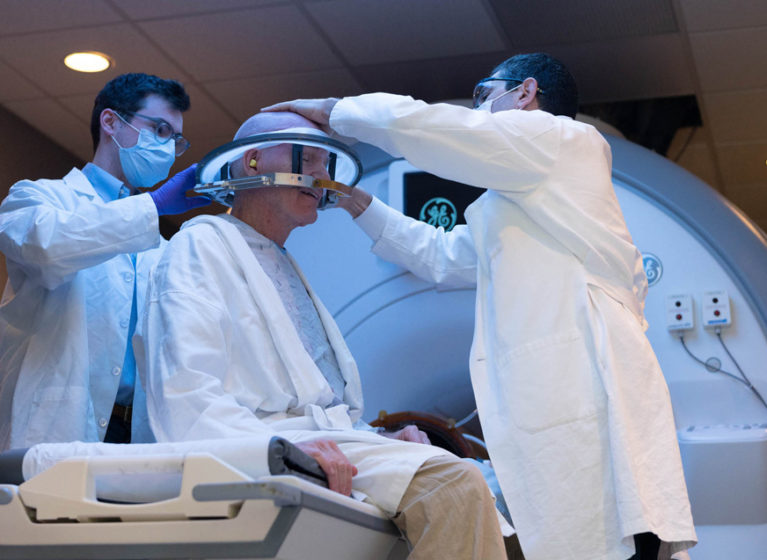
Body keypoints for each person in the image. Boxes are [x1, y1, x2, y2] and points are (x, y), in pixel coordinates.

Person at [263, 52, 697, 560]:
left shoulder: (564, 140)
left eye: (483, 94)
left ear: (525, 93)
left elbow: (448, 131)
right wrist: (356, 200)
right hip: (556, 399)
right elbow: (443, 257)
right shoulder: (518, 205)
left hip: (587, 386)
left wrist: (339, 111)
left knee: (615, 532)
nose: (479, 109)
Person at [134, 110, 507, 559]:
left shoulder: (282, 264)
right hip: (258, 447)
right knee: (452, 485)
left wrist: (380, 439)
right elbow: (186, 399)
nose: (321, 176)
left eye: (325, 165)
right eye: (308, 160)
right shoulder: (201, 246)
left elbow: (319, 406)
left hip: (319, 443)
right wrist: (285, 447)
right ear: (251, 163)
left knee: (482, 480)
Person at [0, 72, 209, 451]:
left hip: (137, 435)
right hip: (57, 425)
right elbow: (47, 248)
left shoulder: (159, 249)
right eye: (159, 129)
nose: (167, 147)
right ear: (111, 122)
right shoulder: (37, 199)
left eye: (175, 139)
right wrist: (155, 205)